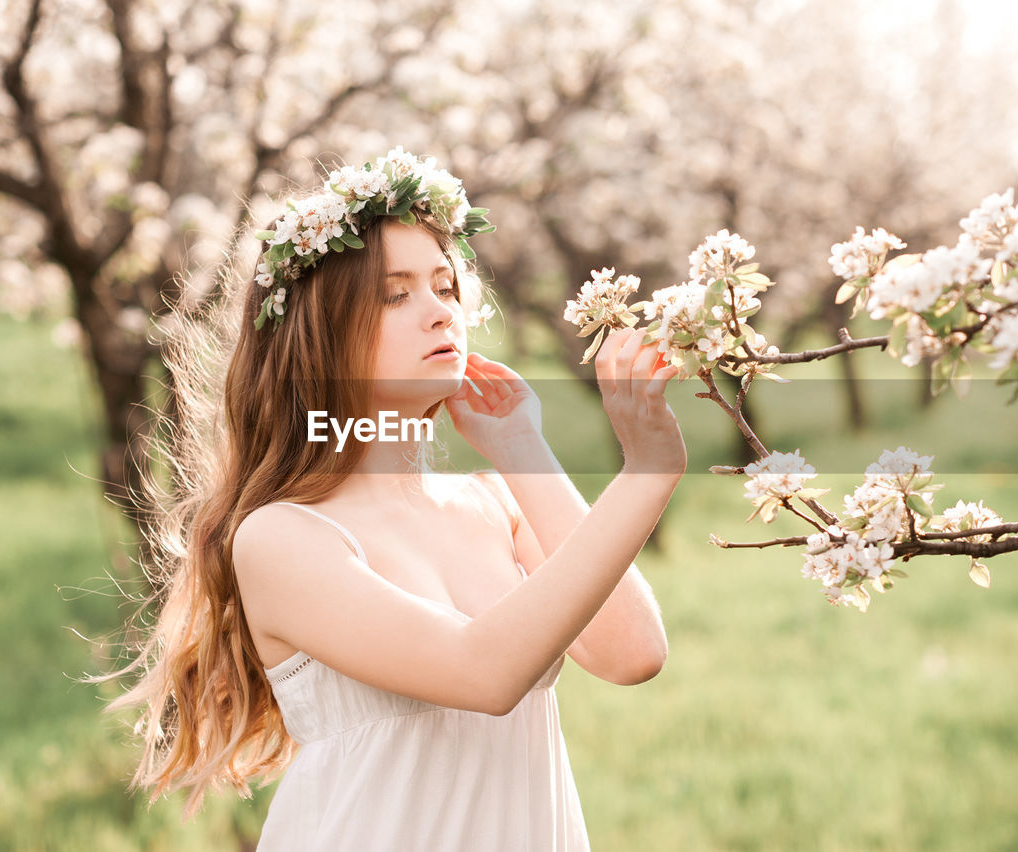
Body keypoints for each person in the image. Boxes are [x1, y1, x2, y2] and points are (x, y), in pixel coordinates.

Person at [103, 148, 687, 851]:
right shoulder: (284, 538)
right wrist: (646, 471)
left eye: (445, 286)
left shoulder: (494, 502)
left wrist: (522, 449)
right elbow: (485, 671)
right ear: (323, 339)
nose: (441, 312)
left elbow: (632, 652)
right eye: (396, 293)